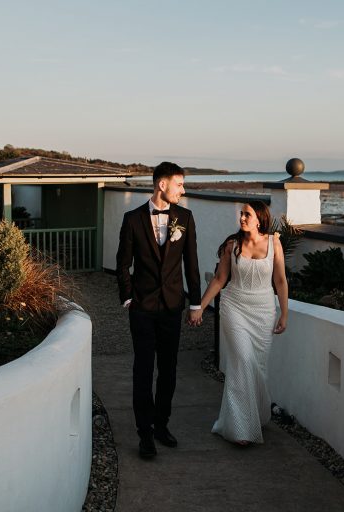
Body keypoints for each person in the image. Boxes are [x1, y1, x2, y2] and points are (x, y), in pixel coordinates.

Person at [116, 161, 202, 459]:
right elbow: (122, 263)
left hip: (172, 307)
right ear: (161, 185)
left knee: (168, 370)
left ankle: (161, 424)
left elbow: (191, 262)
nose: (183, 189)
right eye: (179, 184)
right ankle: (144, 434)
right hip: (142, 308)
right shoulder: (133, 219)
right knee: (143, 370)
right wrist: (128, 298)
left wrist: (195, 303)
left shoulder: (185, 217)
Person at [193, 200, 289, 445]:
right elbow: (219, 279)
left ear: (260, 219)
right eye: (241, 214)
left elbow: (280, 281)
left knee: (258, 368)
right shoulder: (232, 246)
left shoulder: (274, 243)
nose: (242, 218)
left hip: (263, 311)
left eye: (247, 214)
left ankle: (258, 414)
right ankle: (240, 428)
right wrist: (200, 307)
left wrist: (284, 313)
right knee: (242, 362)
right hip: (234, 307)